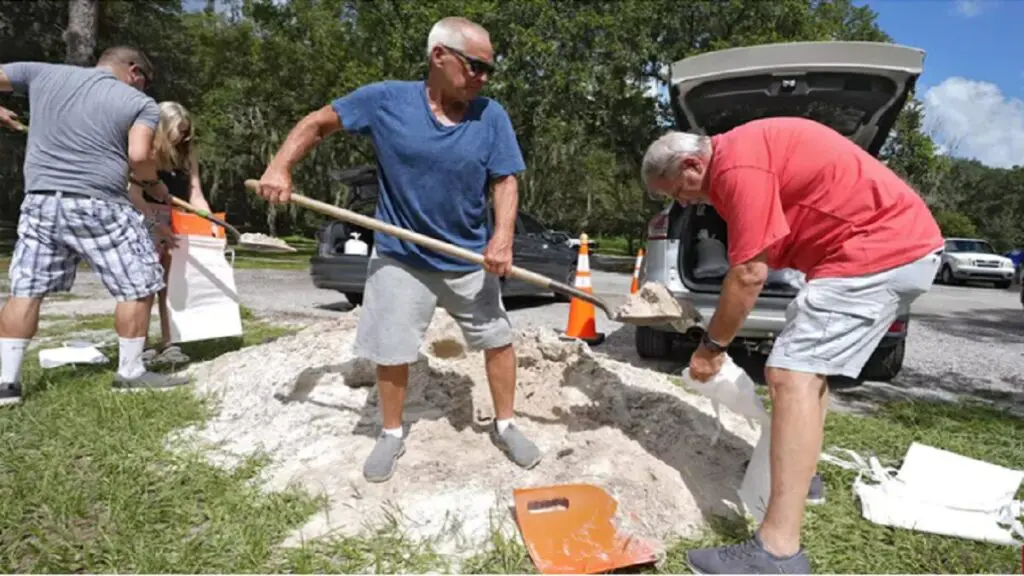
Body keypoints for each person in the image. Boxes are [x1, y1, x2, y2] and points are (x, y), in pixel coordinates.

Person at [640, 117, 943, 574]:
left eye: (677, 190)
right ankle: (801, 482)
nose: (682, 201)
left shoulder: (738, 167)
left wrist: (711, 346)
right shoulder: (743, 156)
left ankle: (777, 551)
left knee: (789, 374)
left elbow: (749, 274)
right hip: (887, 250)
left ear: (690, 163)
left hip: (875, 252)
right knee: (805, 371)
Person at [253, 16, 539, 482]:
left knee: (497, 338)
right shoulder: (385, 101)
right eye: (475, 66)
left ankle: (506, 424)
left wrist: (501, 236)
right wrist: (280, 167)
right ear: (439, 56)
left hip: (468, 255)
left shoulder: (491, 116)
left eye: (489, 70)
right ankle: (390, 432)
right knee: (393, 347)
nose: (483, 78)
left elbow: (505, 180)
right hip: (399, 254)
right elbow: (317, 123)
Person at [0, 46, 191, 407]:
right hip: (98, 203)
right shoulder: (139, 104)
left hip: (42, 202)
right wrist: (154, 185)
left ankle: (6, 385)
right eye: (143, 81)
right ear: (134, 71)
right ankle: (131, 372)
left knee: (26, 290)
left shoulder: (42, 72)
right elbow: (138, 157)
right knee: (139, 281)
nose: (144, 89)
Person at [127, 100, 212, 366]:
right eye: (179, 131)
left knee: (172, 284)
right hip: (144, 219)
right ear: (163, 127)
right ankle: (135, 347)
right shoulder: (144, 151)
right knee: (145, 285)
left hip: (175, 218)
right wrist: (156, 226)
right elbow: (133, 194)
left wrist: (208, 221)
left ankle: (170, 342)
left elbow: (195, 191)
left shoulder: (187, 152)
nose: (184, 137)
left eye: (187, 131)